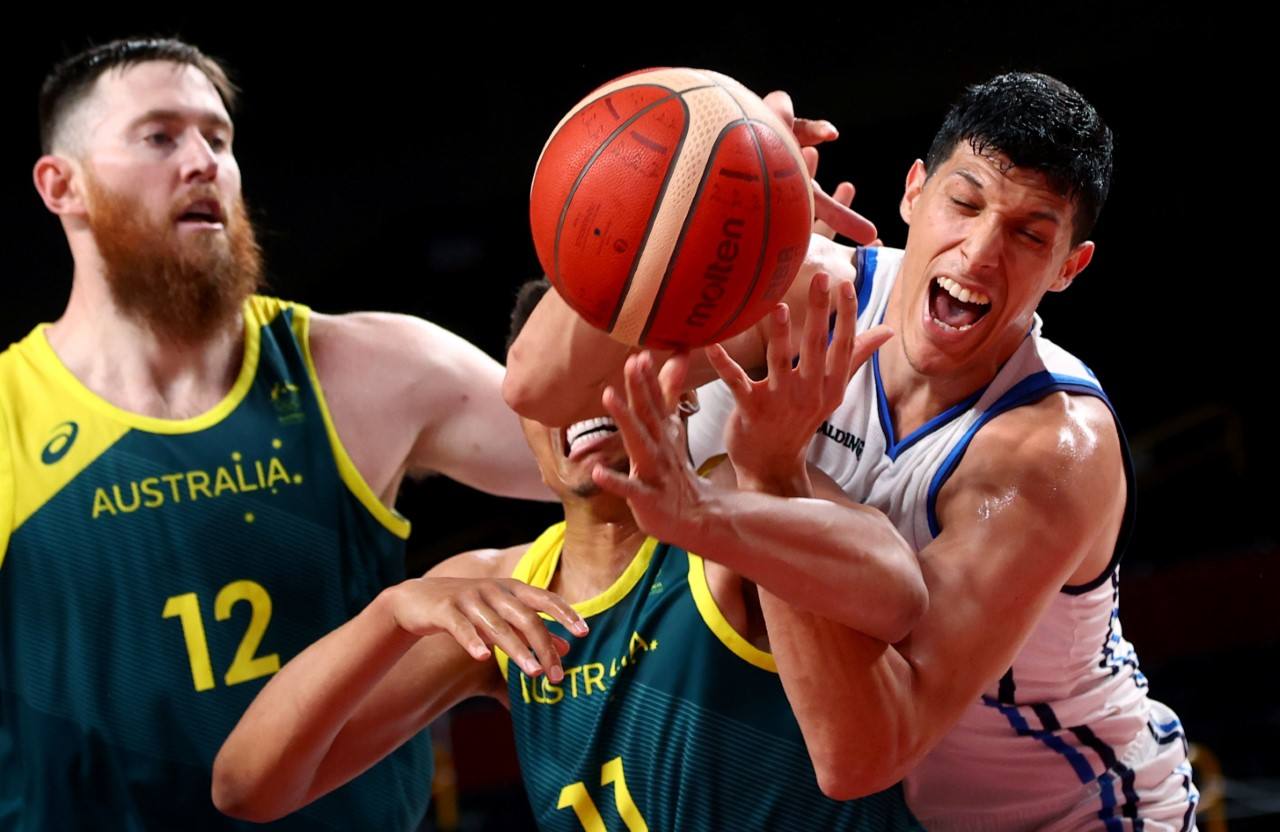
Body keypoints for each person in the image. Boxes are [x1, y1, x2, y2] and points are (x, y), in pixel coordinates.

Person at [513, 73, 1199, 831]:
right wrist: (695, 183)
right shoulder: (807, 290)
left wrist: (773, 479)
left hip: (1074, 814)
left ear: (1070, 267)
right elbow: (539, 386)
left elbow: (864, 754)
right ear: (913, 193)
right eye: (964, 204)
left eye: (1030, 234)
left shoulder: (1048, 450)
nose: (978, 254)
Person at [0, 37, 553, 830]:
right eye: (159, 136)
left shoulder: (364, 368)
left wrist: (767, 284)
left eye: (217, 139)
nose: (204, 163)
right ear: (63, 186)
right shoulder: (10, 418)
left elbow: (630, 464)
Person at [211, 277, 927, 830]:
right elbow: (247, 788)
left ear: (674, 391)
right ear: (519, 421)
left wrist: (763, 491)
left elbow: (898, 589)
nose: (584, 400)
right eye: (556, 385)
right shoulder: (501, 599)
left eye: (609, 368)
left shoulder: (736, 497)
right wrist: (393, 611)